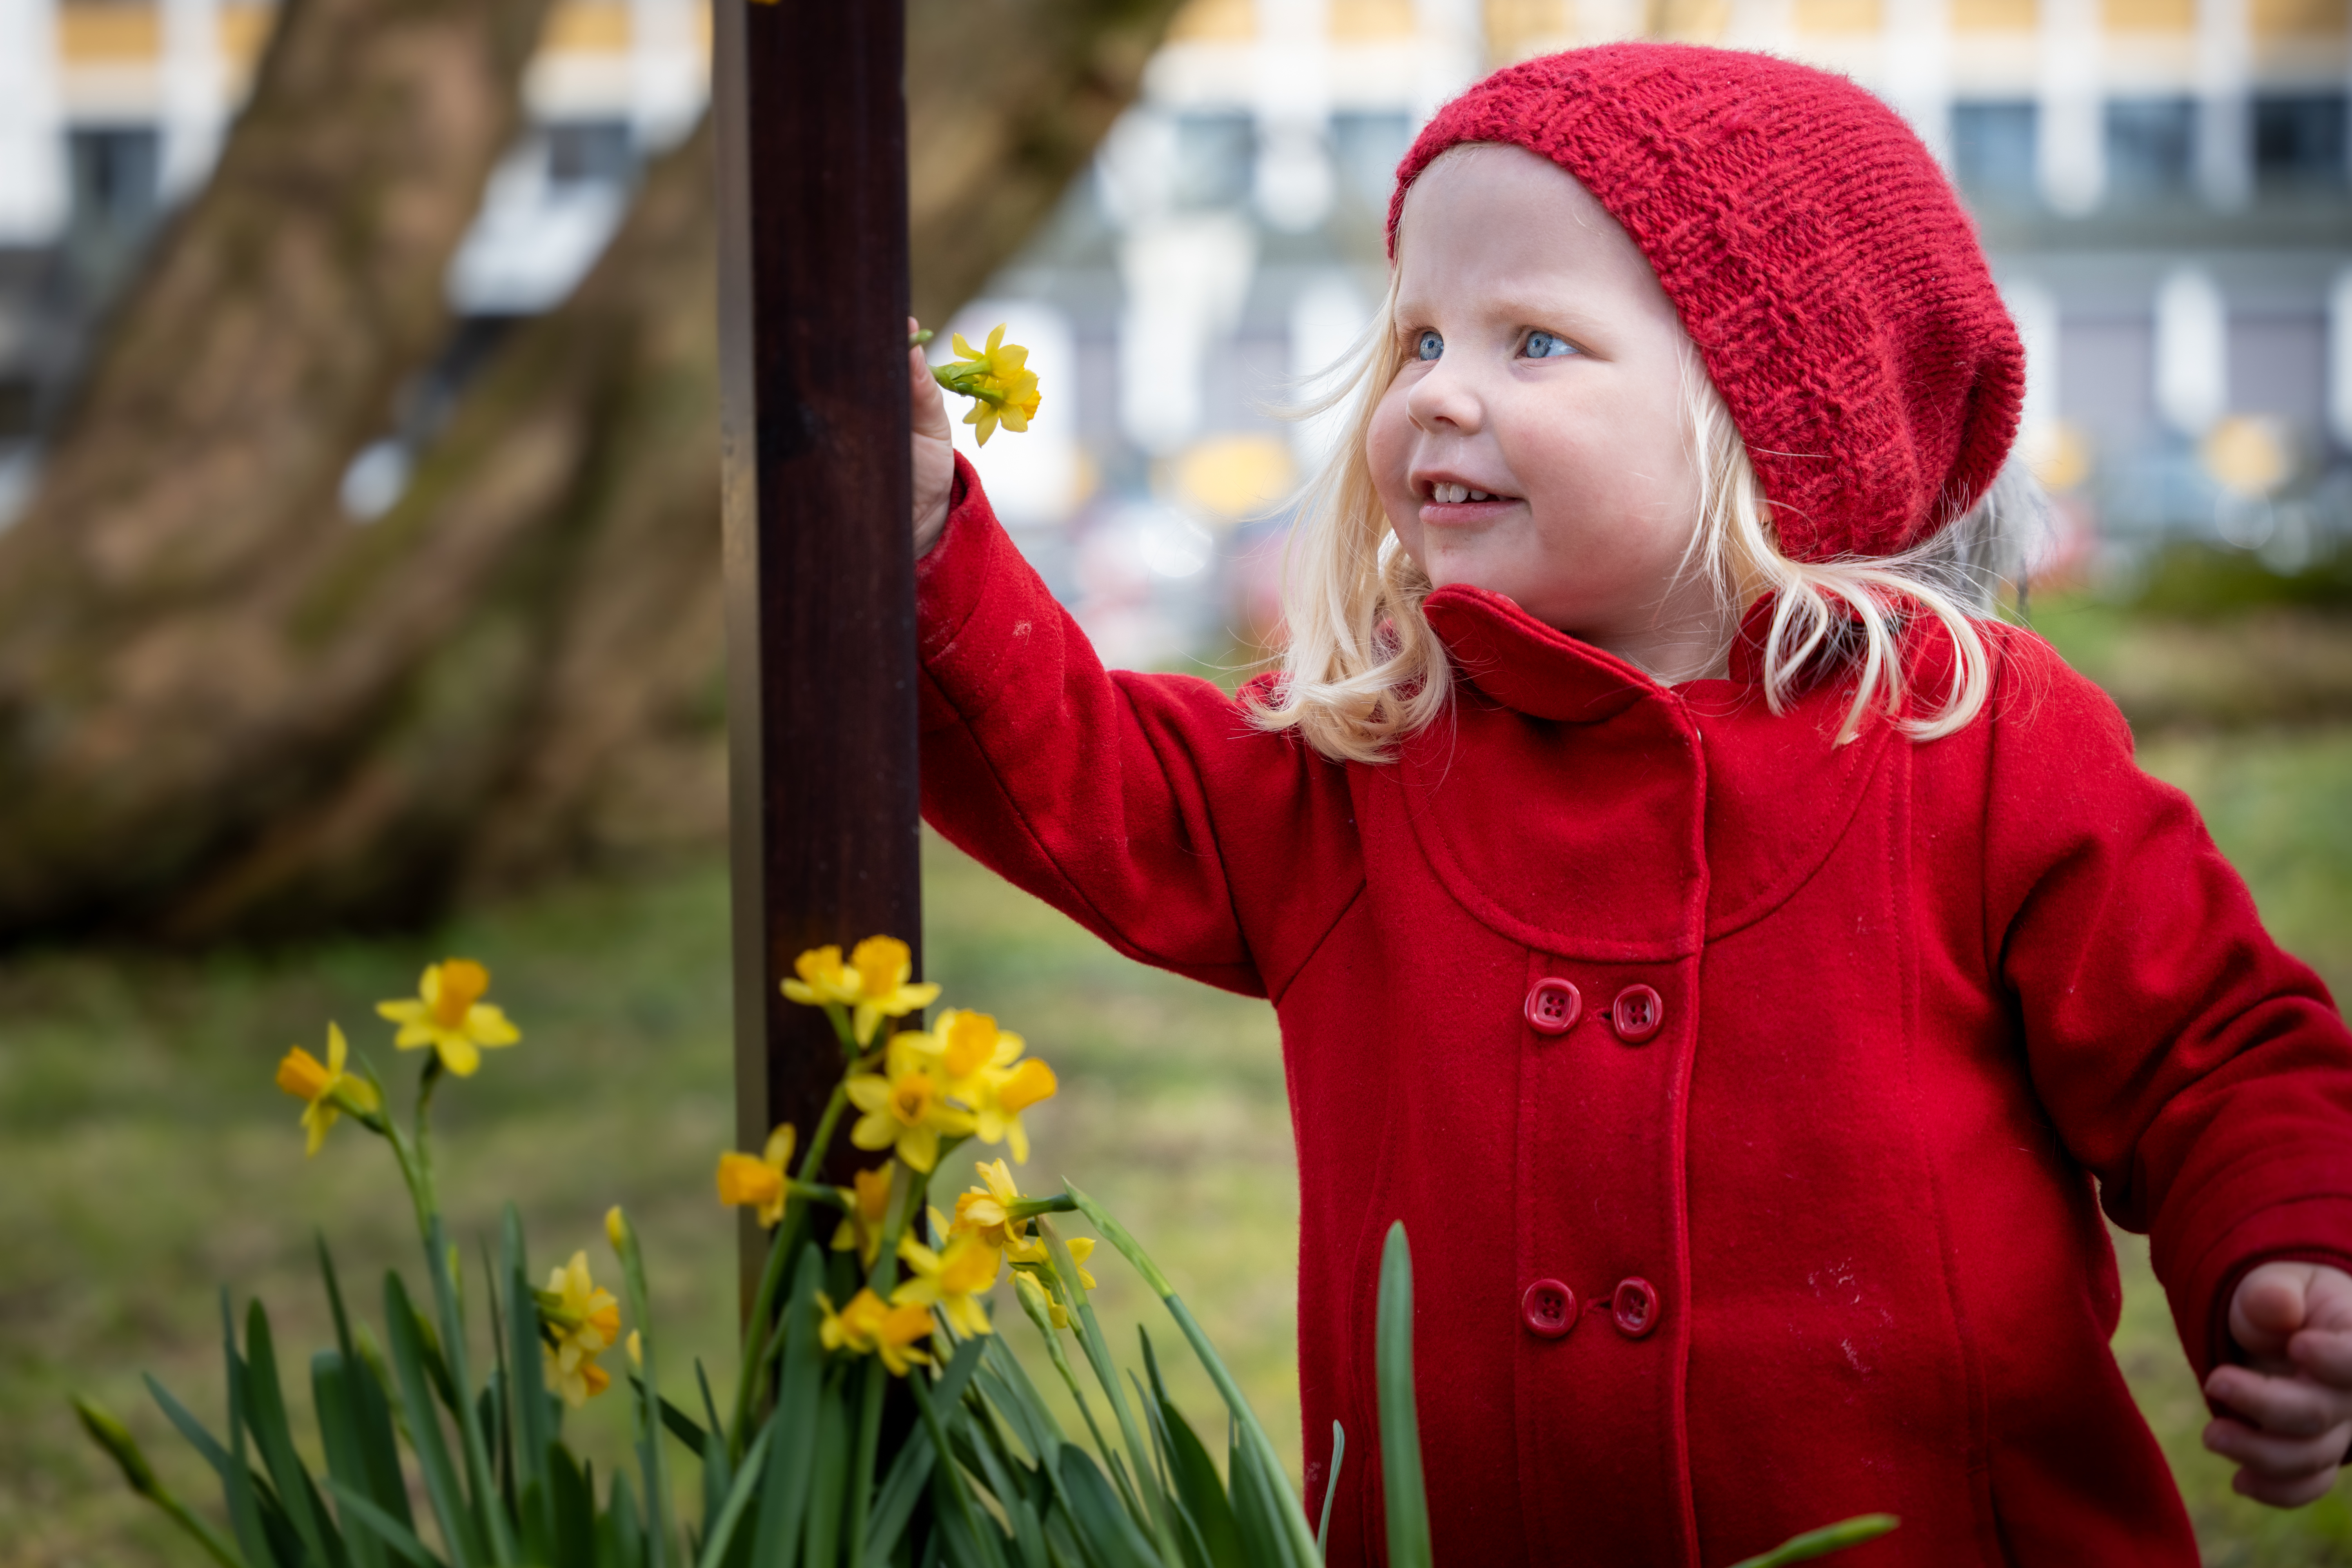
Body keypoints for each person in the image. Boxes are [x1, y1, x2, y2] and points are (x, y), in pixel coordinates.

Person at [900, 44, 2352, 1564]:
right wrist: (928, 542)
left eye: (1532, 341)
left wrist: (2285, 1243)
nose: (1435, 390)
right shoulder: (1361, 762)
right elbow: (1082, 775)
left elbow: (2214, 1050)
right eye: (1418, 338)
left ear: (1771, 419)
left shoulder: (1977, 743)